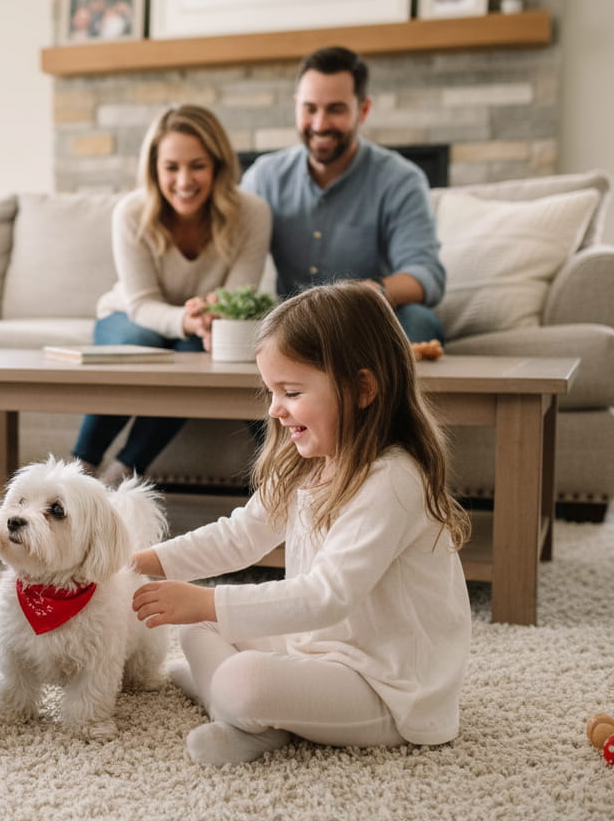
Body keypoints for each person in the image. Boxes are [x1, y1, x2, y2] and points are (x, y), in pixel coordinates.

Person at [131, 281, 471, 767]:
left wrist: (206, 597)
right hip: (318, 649)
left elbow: (325, 595)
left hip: (389, 688)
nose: (274, 408)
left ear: (362, 389)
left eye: (290, 392)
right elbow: (240, 535)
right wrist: (145, 562)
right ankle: (252, 721)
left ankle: (237, 708)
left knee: (238, 674)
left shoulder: (393, 479)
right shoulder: (310, 463)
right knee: (196, 626)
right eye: (271, 391)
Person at [72, 104, 271, 485]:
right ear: (154, 169)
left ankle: (121, 473)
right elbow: (141, 302)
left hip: (203, 328)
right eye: (171, 167)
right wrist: (185, 319)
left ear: (217, 165)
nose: (184, 180)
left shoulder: (252, 213)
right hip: (133, 316)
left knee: (195, 354)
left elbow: (236, 296)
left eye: (197, 165)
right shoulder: (131, 212)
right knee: (137, 342)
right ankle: (80, 468)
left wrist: (208, 320)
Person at [240, 46, 446, 343]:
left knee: (419, 319)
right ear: (296, 106)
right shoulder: (264, 177)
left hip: (368, 322)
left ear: (363, 110)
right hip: (291, 327)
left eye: (335, 109)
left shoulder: (401, 180)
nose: (320, 124)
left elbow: (426, 275)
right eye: (310, 108)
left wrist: (368, 292)